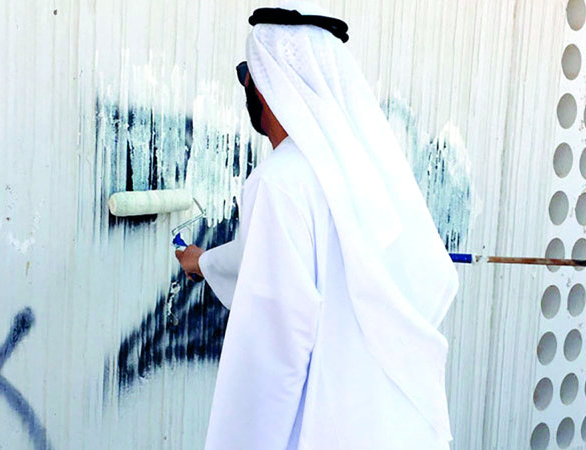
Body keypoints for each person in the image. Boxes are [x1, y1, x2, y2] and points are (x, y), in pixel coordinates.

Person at [175, 3, 459, 448]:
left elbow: (273, 346)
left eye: (247, 72)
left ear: (264, 80)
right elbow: (293, 262)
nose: (246, 83)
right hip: (390, 425)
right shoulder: (362, 172)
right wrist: (205, 262)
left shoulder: (280, 182)